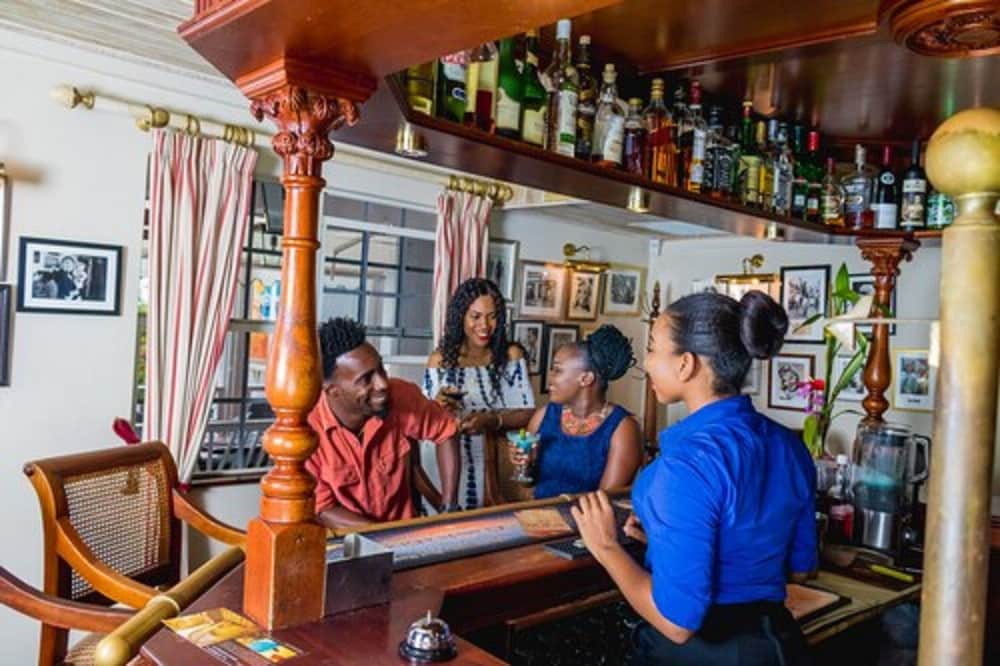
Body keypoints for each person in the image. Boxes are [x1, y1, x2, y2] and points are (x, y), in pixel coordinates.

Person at [572, 291, 817, 666]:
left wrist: (606, 547)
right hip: (779, 644)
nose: (647, 363)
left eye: (652, 349)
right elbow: (800, 569)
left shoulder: (684, 466)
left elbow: (677, 623)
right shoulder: (789, 446)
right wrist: (668, 540)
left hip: (708, 653)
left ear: (686, 364)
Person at [305, 317, 461, 529]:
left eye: (381, 370)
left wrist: (449, 507)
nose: (382, 384)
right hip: (344, 541)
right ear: (333, 390)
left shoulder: (400, 395)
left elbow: (446, 430)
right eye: (366, 379)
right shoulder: (306, 432)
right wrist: (384, 537)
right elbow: (323, 509)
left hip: (405, 534)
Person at [424, 278, 535, 510]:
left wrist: (492, 421)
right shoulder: (440, 360)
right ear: (461, 317)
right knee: (444, 522)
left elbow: (528, 414)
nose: (484, 325)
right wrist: (439, 404)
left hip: (493, 463)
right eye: (475, 316)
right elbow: (423, 421)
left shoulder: (511, 356)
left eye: (492, 316)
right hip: (445, 465)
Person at [509, 324, 642, 499]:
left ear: (586, 379)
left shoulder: (623, 429)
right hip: (539, 512)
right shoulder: (543, 416)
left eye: (557, 370)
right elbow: (526, 486)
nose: (550, 379)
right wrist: (525, 465)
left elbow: (604, 502)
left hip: (586, 517)